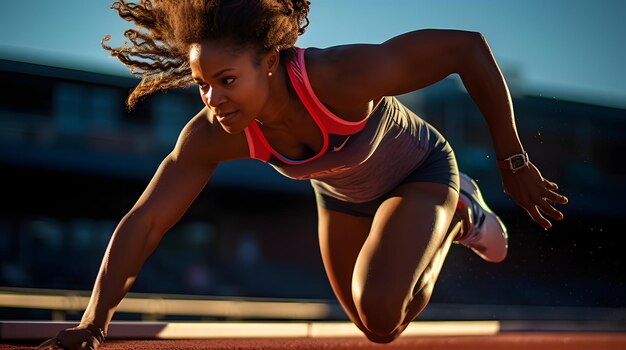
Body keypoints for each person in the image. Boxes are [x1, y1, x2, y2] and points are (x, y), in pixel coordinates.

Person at [38, 0, 569, 348]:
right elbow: (147, 220)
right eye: (202, 83)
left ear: (269, 61)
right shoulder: (213, 133)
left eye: (226, 80)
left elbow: (466, 48)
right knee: (378, 330)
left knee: (383, 307)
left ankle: (459, 214)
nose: (213, 99)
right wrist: (94, 322)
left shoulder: (338, 76)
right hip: (341, 195)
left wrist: (513, 161)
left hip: (419, 172)